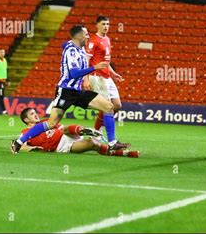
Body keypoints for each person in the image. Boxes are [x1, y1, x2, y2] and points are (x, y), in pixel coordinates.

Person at [10, 25, 114, 154]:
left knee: (109, 107)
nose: (88, 36)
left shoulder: (80, 48)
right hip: (66, 91)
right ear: (79, 36)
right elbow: (74, 74)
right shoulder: (71, 51)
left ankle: (112, 143)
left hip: (78, 91)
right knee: (52, 123)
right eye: (86, 34)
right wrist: (95, 67)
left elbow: (65, 44)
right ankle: (19, 142)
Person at [84, 16, 130, 151]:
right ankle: (112, 142)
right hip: (96, 77)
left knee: (117, 105)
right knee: (108, 107)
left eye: (108, 24)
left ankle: (96, 132)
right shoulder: (93, 41)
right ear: (97, 25)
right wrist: (86, 79)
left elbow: (106, 61)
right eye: (103, 24)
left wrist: (113, 73)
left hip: (106, 76)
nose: (106, 26)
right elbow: (87, 61)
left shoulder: (107, 39)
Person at [18, 108, 139, 157]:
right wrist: (34, 149)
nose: (35, 115)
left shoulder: (45, 122)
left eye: (35, 112)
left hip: (65, 134)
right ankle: (123, 153)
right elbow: (19, 146)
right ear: (26, 119)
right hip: (62, 146)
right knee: (92, 143)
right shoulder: (25, 132)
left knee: (64, 128)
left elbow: (62, 128)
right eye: (32, 114)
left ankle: (86, 130)